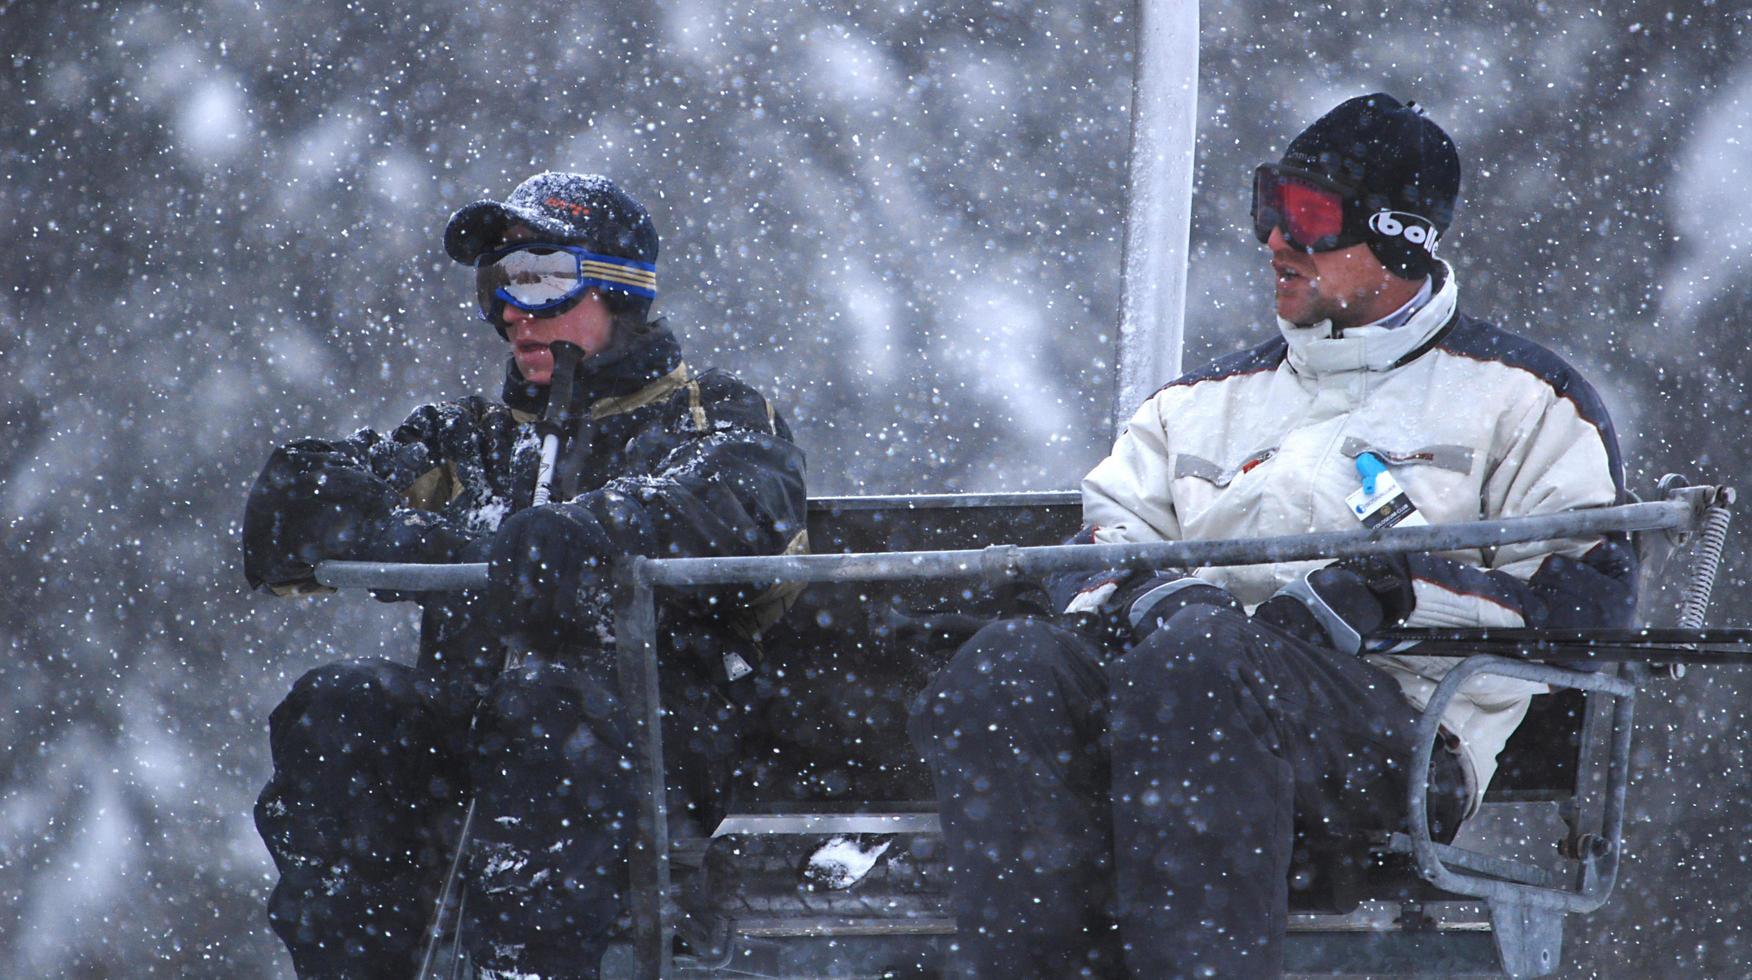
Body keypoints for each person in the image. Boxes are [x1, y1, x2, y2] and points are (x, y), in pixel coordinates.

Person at [910, 94, 1636, 978]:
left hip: (1395, 739)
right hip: (1178, 715)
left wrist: (1391, 591)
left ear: (1402, 237)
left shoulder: (1518, 401)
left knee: (1203, 665)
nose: (1274, 240)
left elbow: (1584, 600)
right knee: (1010, 668)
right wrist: (1159, 596)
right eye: (1268, 205)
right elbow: (1101, 547)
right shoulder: (1199, 405)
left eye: (1309, 216)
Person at [243, 172, 808, 980]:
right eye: (497, 287)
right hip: (472, 739)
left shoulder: (709, 416)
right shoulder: (469, 435)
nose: (513, 313)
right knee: (346, 705)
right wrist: (451, 543)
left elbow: (741, 502)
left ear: (616, 288)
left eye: (540, 280)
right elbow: (302, 499)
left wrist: (592, 536)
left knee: (549, 708)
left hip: (640, 749)